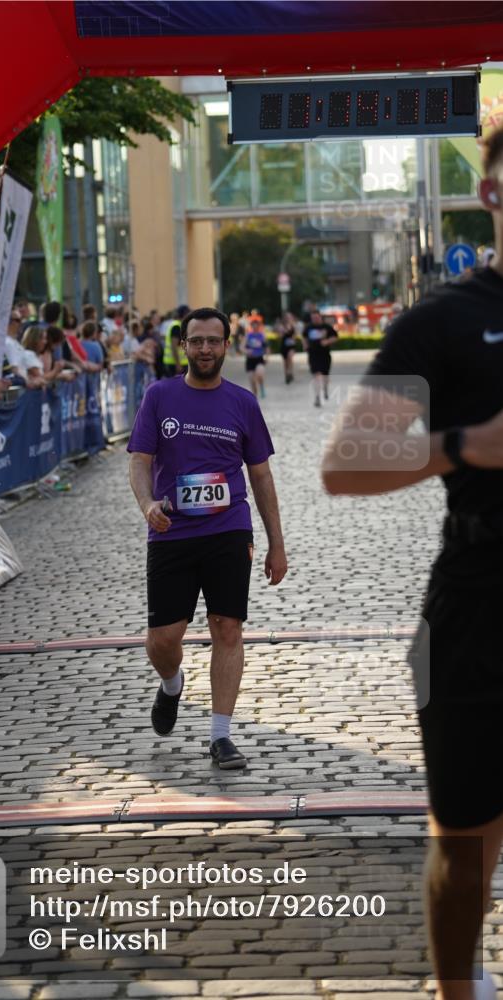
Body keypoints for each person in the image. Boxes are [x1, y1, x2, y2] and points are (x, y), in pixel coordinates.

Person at [321, 124, 503, 1000]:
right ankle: (455, 988)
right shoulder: (442, 320)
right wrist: (464, 445)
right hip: (476, 607)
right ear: (491, 194)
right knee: (464, 845)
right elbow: (343, 464)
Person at [127, 306, 288, 768]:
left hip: (228, 529)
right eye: (196, 341)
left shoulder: (243, 403)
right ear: (183, 345)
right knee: (163, 638)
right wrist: (147, 504)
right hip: (171, 532)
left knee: (227, 627)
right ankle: (171, 683)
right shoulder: (159, 396)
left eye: (213, 341)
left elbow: (261, 475)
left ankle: (221, 736)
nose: (204, 349)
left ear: (226, 346)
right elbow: (139, 460)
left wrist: (276, 543)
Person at [303, 308, 339, 407]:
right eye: (313, 318)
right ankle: (317, 397)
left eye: (316, 317)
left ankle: (325, 388)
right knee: (317, 375)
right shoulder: (308, 327)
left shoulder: (327, 327)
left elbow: (335, 337)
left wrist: (327, 341)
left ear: (320, 317)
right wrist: (305, 345)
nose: (315, 319)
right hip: (313, 355)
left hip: (325, 355)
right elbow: (304, 338)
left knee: (325, 376)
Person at [161, 305, 190, 377]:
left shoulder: (178, 325)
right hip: (174, 364)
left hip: (178, 362)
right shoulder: (176, 326)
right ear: (184, 314)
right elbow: (174, 346)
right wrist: (178, 364)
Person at [244, 315, 269, 398]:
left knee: (259, 374)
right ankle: (255, 398)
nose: (255, 326)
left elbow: (267, 347)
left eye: (256, 324)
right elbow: (242, 347)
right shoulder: (248, 335)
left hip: (259, 359)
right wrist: (246, 351)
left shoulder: (262, 335)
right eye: (253, 324)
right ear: (251, 325)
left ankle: (261, 386)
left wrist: (267, 357)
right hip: (250, 360)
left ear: (259, 325)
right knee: (252, 381)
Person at [278, 312, 298, 385]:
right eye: (287, 317)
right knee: (285, 362)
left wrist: (293, 338)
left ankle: (290, 372)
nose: (288, 318)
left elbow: (295, 335)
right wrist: (283, 332)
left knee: (290, 357)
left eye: (290, 317)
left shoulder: (293, 325)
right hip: (284, 345)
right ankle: (287, 375)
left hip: (291, 345)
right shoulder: (281, 326)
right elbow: (280, 336)